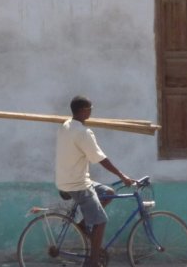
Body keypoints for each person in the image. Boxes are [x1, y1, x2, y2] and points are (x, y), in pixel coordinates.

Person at [56, 95, 135, 267]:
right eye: (90, 108)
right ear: (84, 111)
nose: (92, 111)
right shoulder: (83, 133)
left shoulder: (66, 125)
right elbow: (100, 158)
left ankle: (84, 224)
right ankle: (92, 262)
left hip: (68, 180)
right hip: (77, 185)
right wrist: (122, 176)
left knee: (108, 193)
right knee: (101, 221)